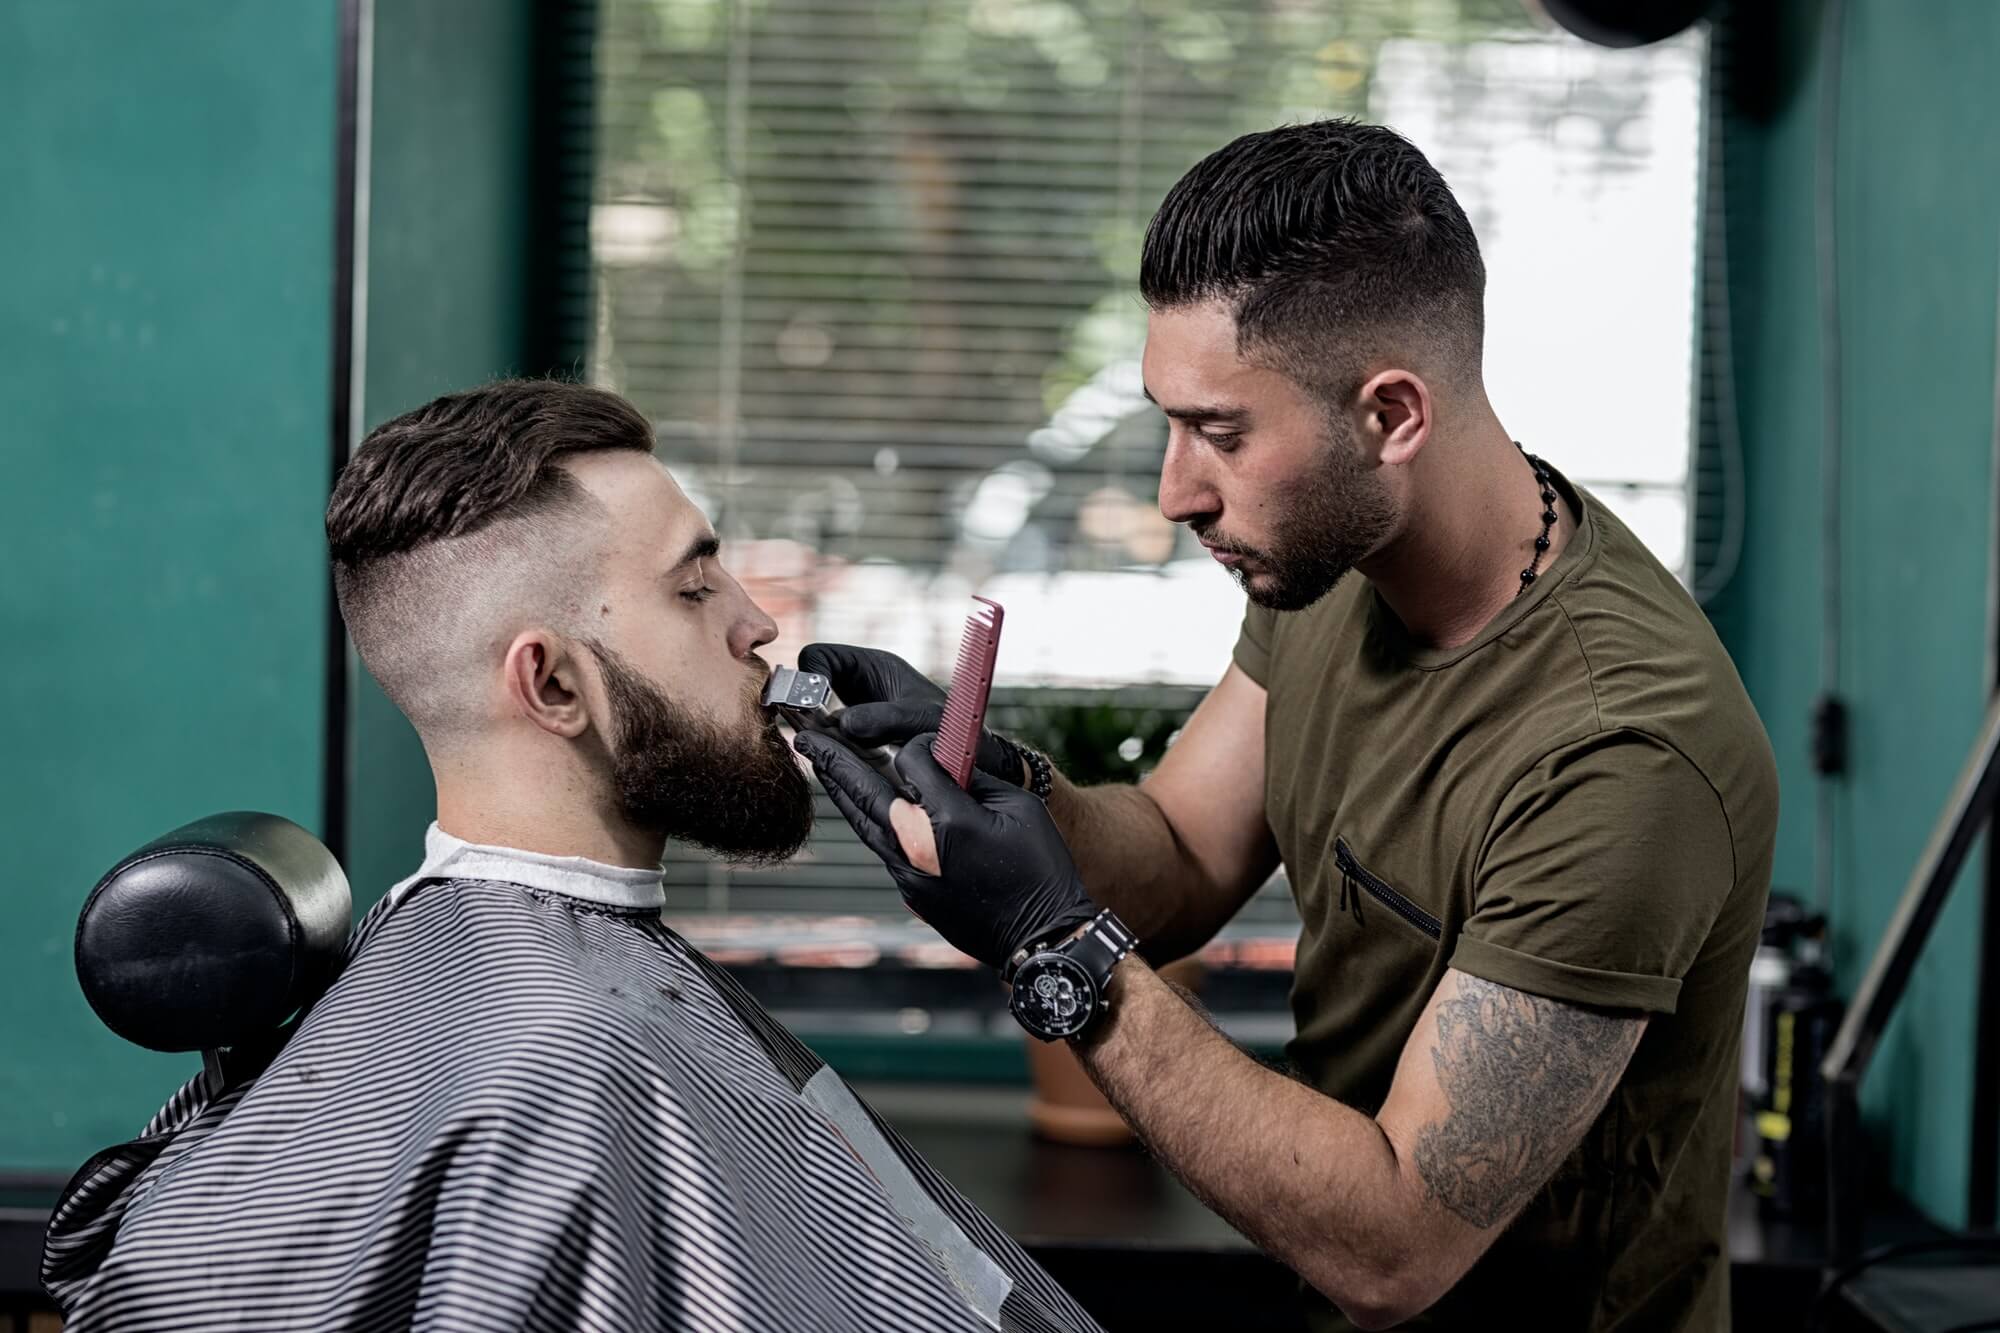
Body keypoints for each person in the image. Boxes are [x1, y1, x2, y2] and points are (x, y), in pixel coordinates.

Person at [796, 119, 1779, 1332]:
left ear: (1390, 415)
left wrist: (1055, 947)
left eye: (1220, 433)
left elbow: (1393, 1246)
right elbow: (1182, 853)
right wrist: (1006, 792)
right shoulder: (1334, 556)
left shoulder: (1620, 757)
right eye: (1169, 424)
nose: (1173, 493)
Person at [42, 380, 1101, 1333]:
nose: (758, 622)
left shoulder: (547, 990)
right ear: (550, 686)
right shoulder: (559, 1064)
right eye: (693, 590)